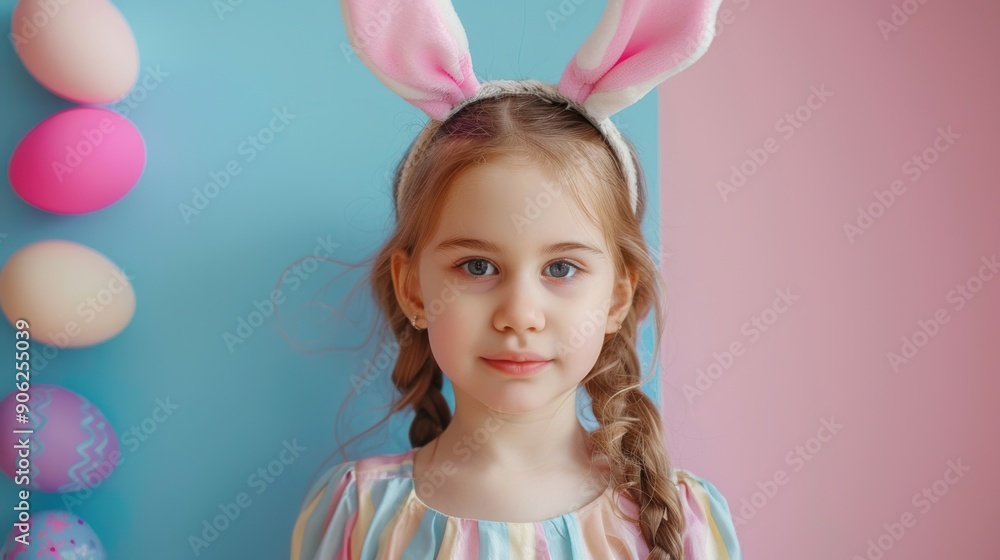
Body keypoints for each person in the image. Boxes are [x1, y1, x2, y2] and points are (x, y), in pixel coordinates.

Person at [291, 0, 741, 558]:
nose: (520, 314)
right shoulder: (356, 514)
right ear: (413, 290)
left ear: (617, 296)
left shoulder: (680, 518)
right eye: (478, 267)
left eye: (561, 268)